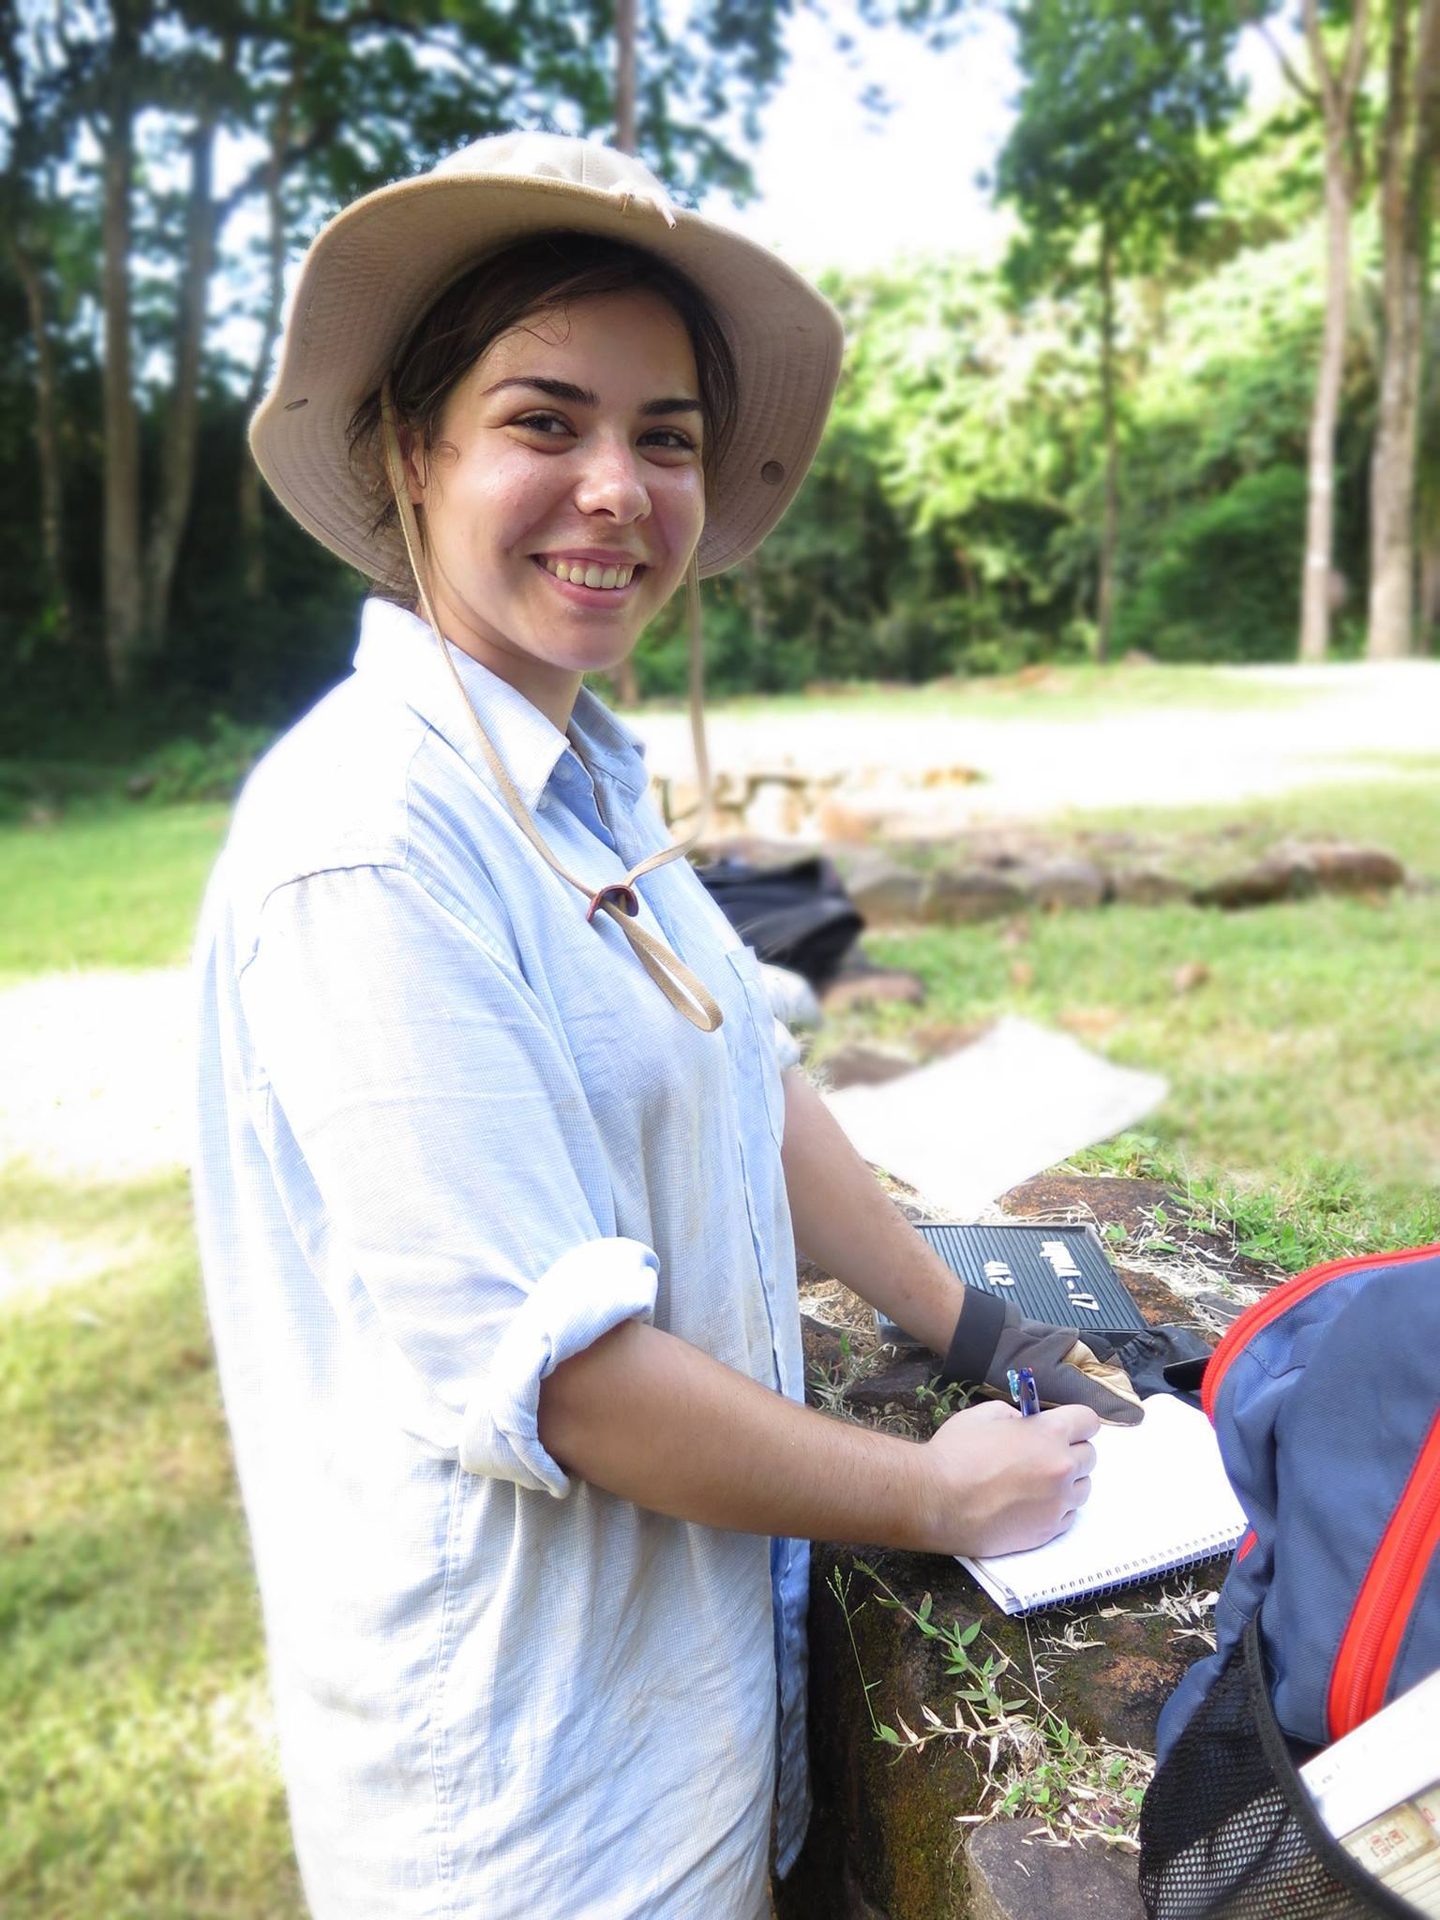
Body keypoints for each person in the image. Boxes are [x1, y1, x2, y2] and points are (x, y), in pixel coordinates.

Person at [193, 131, 1136, 1920]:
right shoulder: (371, 843)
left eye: (667, 437)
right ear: (416, 451)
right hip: (533, 1795)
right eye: (545, 422)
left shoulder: (579, 772)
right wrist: (941, 1495)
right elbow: (562, 1375)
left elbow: (743, 1075)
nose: (617, 488)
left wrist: (980, 1319)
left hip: (685, 1706)